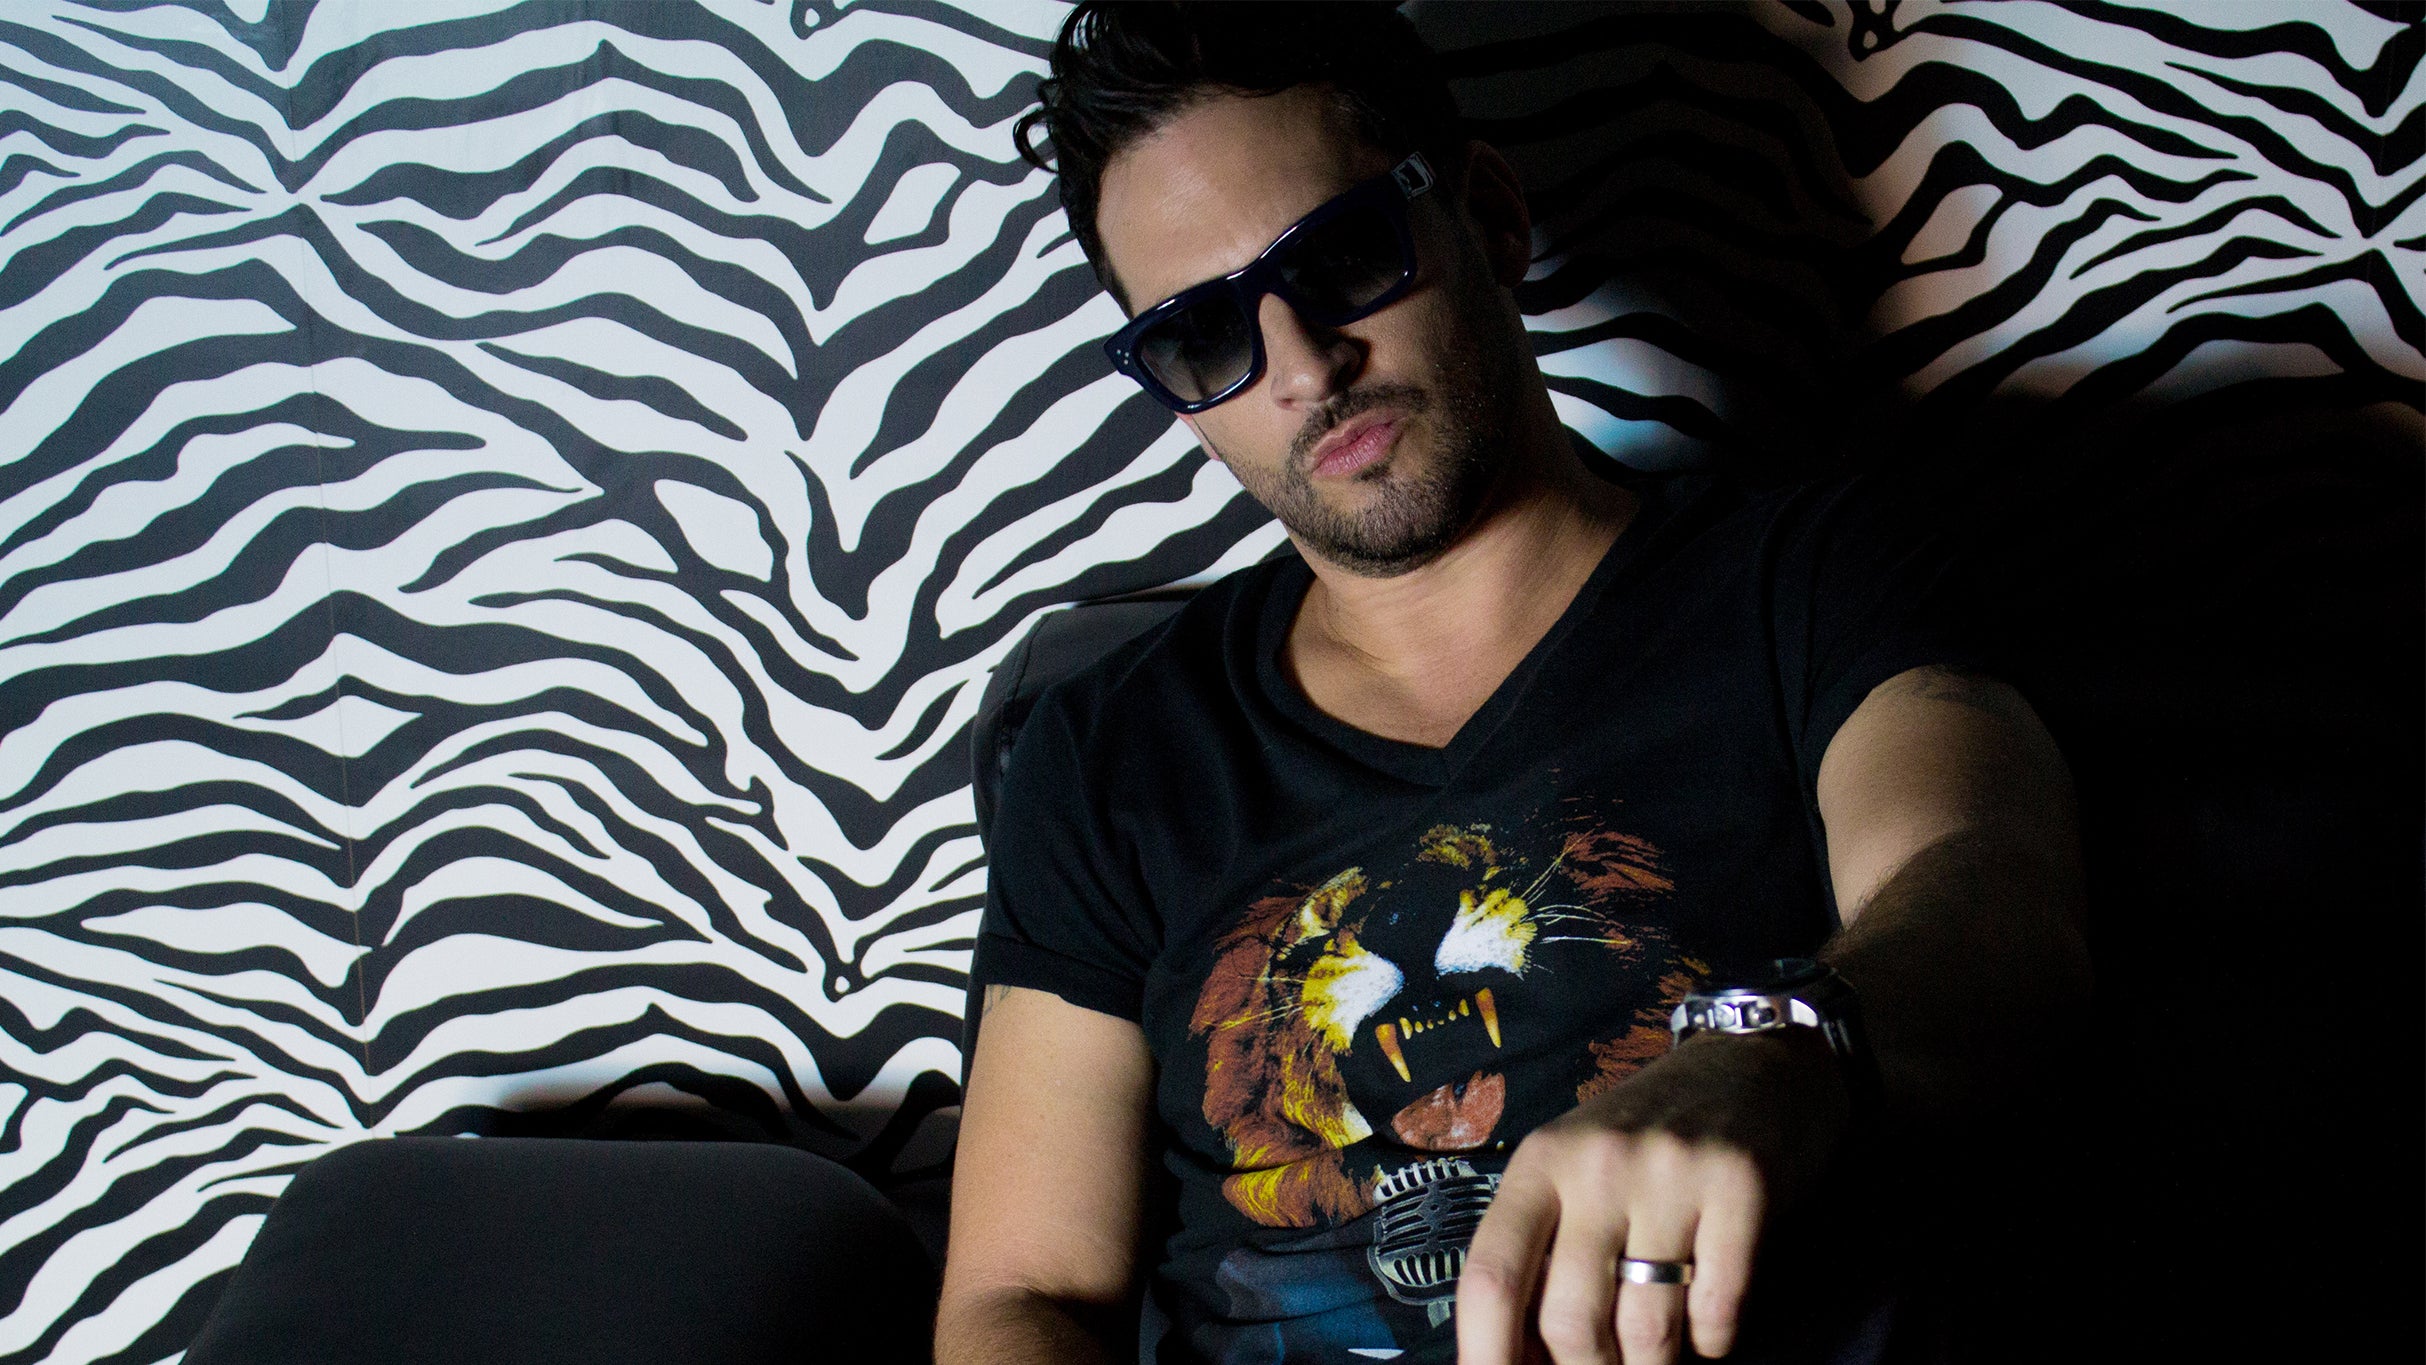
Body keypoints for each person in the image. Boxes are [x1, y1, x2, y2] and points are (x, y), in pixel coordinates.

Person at [936, 6, 2089, 1364]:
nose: (1302, 367)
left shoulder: (1808, 577)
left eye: (1341, 257)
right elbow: (1022, 1290)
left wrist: (1779, 1049)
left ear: (1485, 215)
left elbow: (1990, 894)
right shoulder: (1106, 750)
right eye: (1202, 335)